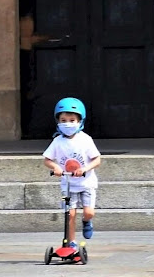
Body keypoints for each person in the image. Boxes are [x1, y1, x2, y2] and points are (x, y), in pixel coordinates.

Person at [43, 97, 101, 249]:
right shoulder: (57, 142)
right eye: (63, 120)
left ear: (80, 121)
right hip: (68, 185)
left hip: (86, 183)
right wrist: (55, 167)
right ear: (58, 122)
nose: (67, 123)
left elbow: (97, 160)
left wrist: (85, 169)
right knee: (70, 214)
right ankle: (71, 242)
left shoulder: (85, 140)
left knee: (89, 212)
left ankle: (87, 221)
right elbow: (47, 159)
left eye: (71, 120)